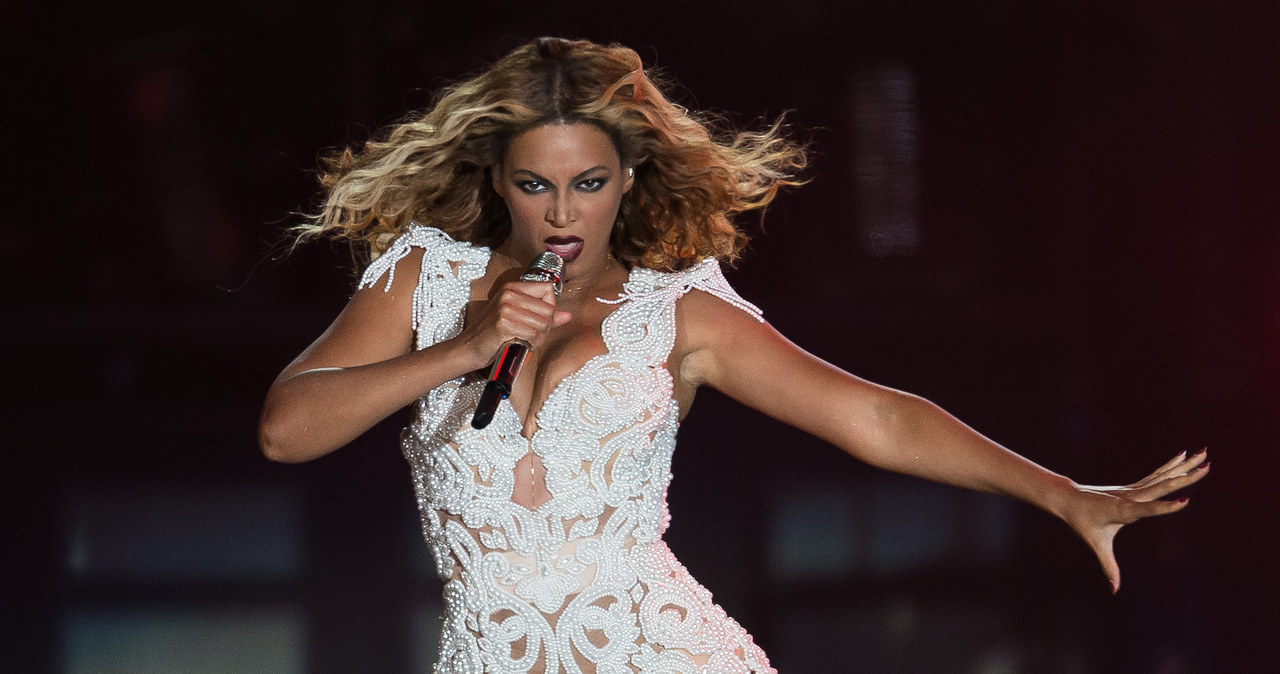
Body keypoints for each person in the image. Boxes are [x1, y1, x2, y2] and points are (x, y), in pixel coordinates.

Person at [258, 37, 1208, 673]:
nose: (562, 212)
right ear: (497, 182)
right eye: (535, 185)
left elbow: (875, 416)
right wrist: (464, 347)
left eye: (588, 183)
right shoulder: (423, 280)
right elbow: (285, 431)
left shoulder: (679, 312)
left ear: (626, 178)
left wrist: (1063, 495)